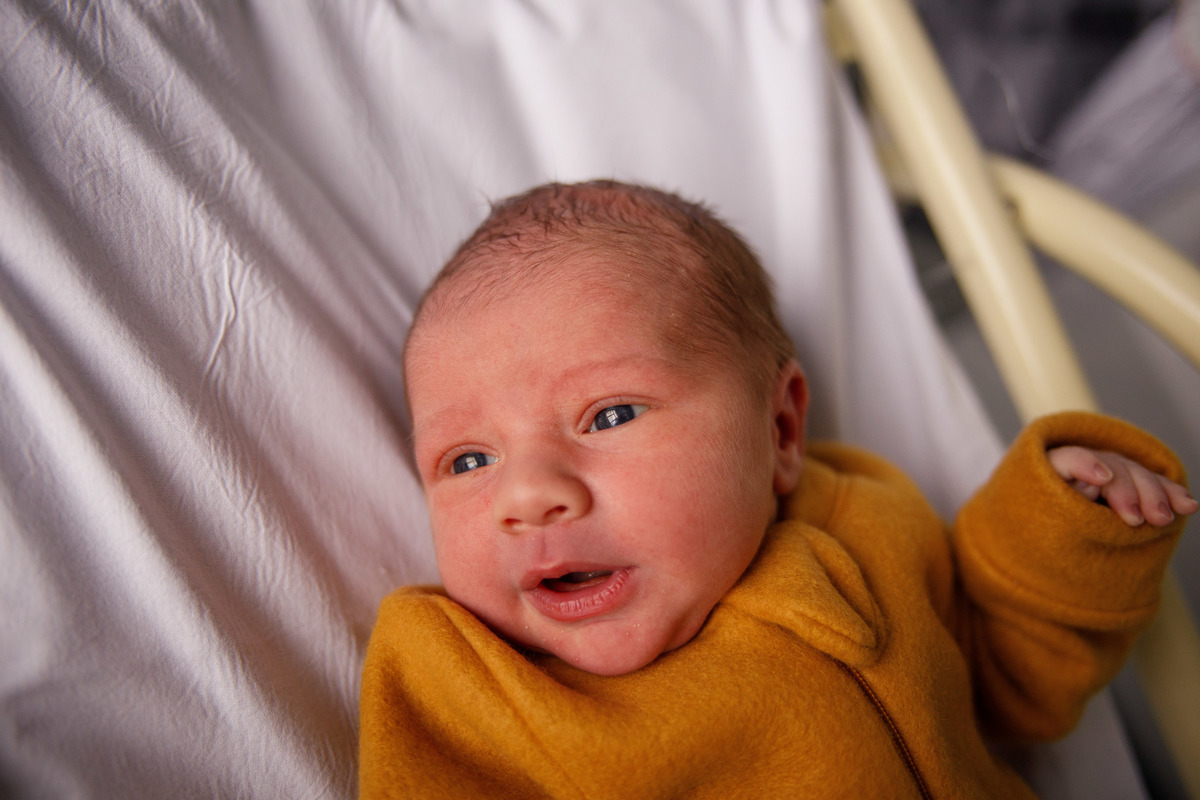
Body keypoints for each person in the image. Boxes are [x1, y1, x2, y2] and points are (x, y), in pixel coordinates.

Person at [359, 180, 1195, 798]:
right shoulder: (463, 678)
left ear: (781, 432)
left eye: (608, 415)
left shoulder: (869, 519)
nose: (529, 494)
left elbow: (1011, 691)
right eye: (468, 461)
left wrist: (1063, 529)